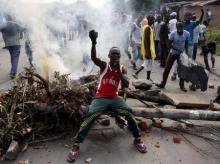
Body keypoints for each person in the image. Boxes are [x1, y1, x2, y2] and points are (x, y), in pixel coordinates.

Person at [67, 30, 147, 163]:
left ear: (119, 56)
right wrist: (93, 42)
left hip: (114, 98)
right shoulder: (104, 65)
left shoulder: (122, 69)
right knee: (91, 115)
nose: (115, 56)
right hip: (101, 98)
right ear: (109, 55)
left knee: (129, 112)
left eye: (117, 54)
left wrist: (119, 73)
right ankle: (76, 146)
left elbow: (126, 84)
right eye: (113, 54)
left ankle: (137, 139)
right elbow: (93, 58)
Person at [156, 22, 190, 92]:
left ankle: (182, 85)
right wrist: (178, 49)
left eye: (181, 28)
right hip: (173, 53)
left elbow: (186, 43)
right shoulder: (173, 34)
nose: (180, 29)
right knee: (167, 68)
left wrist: (186, 53)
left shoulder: (187, 34)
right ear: (176, 28)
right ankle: (162, 84)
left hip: (181, 54)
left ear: (183, 27)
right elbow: (169, 44)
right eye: (178, 28)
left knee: (182, 70)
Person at [171, 8, 204, 80]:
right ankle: (174, 73)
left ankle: (186, 75)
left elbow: (200, 21)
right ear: (184, 17)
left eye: (189, 16)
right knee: (180, 59)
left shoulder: (193, 23)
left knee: (189, 60)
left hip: (190, 45)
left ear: (191, 17)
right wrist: (178, 10)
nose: (187, 17)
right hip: (182, 45)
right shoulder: (182, 23)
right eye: (186, 16)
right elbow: (177, 19)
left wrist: (202, 12)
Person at [132, 15, 156, 81]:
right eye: (151, 19)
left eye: (153, 19)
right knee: (147, 63)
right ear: (148, 20)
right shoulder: (147, 28)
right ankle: (136, 73)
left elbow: (142, 38)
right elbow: (145, 40)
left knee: (149, 63)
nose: (153, 21)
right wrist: (147, 52)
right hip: (148, 49)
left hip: (148, 49)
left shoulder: (145, 27)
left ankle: (148, 77)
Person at [0, 15, 24, 79]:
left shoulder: (3, 25)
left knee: (13, 57)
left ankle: (13, 70)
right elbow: (23, 28)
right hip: (16, 44)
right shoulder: (15, 24)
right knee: (15, 58)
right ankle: (13, 72)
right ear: (12, 18)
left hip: (8, 44)